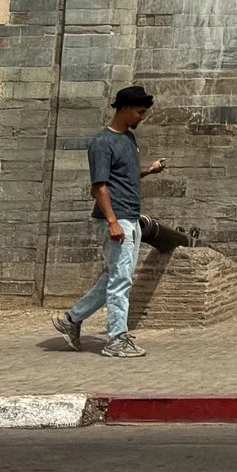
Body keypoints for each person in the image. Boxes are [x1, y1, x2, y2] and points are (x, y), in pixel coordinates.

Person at [53, 85, 165, 359]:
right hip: (117, 220)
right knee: (120, 281)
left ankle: (71, 320)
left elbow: (122, 179)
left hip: (130, 217)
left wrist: (148, 171)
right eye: (139, 112)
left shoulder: (127, 139)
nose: (143, 118)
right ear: (124, 109)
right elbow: (100, 187)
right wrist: (113, 222)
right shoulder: (102, 143)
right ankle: (116, 340)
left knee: (115, 278)